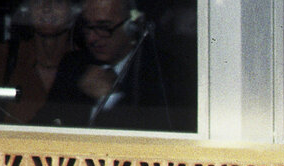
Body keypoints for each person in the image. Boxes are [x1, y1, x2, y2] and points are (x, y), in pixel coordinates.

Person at [38, 0, 182, 130]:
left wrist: (113, 98)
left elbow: (157, 133)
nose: (92, 38)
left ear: (132, 26)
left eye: (104, 27)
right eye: (88, 26)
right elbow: (43, 125)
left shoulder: (163, 71)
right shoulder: (73, 64)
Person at [0, 0, 77, 124]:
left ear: (73, 10)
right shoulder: (3, 58)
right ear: (27, 9)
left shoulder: (84, 65)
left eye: (58, 1)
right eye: (38, 1)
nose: (47, 8)